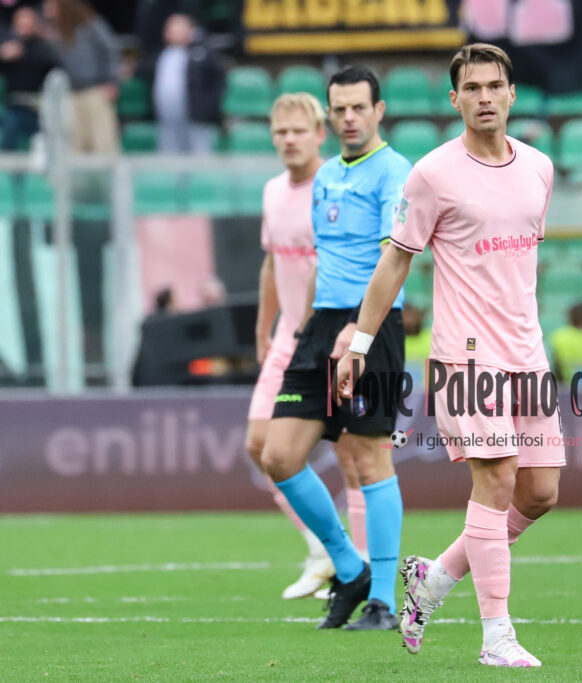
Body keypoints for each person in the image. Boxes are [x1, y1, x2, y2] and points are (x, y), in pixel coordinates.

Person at [335, 43, 563, 668]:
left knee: (539, 492)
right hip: (465, 356)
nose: (485, 97)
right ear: (454, 98)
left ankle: (431, 581)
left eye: (495, 86)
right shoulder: (432, 174)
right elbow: (394, 262)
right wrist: (358, 341)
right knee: (495, 480)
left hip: (527, 353)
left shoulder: (540, 168)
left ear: (512, 94)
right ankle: (497, 637)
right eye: (473, 88)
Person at [259, 65, 411, 631]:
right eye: (338, 109)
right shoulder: (324, 176)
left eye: (357, 108)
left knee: (368, 457)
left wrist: (361, 331)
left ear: (379, 111)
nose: (347, 118)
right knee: (278, 456)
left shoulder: (396, 172)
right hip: (321, 326)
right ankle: (350, 570)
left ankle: (386, 603)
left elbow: (393, 257)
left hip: (371, 326)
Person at [243, 92, 371, 601]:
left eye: (298, 131)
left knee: (351, 457)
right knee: (259, 445)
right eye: (280, 132)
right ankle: (324, 550)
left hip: (330, 338)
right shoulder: (273, 192)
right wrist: (262, 326)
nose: (289, 140)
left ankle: (355, 568)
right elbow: (273, 262)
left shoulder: (335, 187)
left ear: (320, 134)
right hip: (287, 340)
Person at [43, 0, 120, 154]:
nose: (47, 9)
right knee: (76, 145)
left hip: (95, 90)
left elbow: (111, 49)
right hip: (72, 93)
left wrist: (111, 81)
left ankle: (106, 178)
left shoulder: (90, 24)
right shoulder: (57, 33)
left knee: (102, 144)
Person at [146, 13, 224, 153]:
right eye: (170, 29)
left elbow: (218, 79)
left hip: (196, 116)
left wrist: (208, 108)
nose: (174, 33)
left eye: (179, 29)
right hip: (166, 117)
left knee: (200, 153)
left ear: (190, 30)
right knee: (169, 153)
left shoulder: (202, 52)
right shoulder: (160, 54)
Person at [0, 6, 57, 151]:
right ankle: (10, 170)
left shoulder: (43, 47)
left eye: (28, 22)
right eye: (21, 23)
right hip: (14, 107)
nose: (24, 27)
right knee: (9, 127)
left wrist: (23, 52)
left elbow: (52, 64)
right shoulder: (8, 46)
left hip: (39, 108)